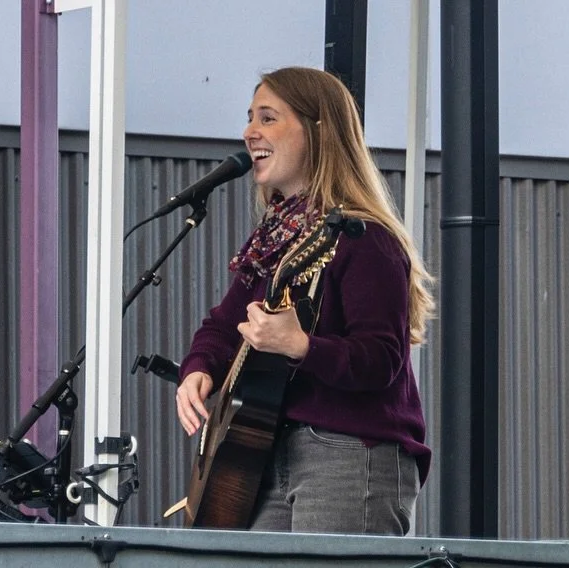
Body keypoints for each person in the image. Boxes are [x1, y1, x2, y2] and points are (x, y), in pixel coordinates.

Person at [174, 66, 435, 535]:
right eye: (250, 117)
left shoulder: (364, 237)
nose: (249, 132)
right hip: (272, 451)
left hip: (352, 452)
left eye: (269, 118)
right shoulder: (277, 241)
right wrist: (199, 368)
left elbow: (381, 360)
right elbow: (224, 324)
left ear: (320, 131)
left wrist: (302, 346)